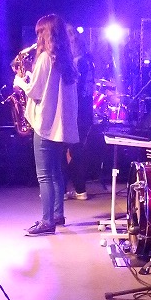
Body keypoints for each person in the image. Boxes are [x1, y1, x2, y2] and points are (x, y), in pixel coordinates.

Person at [14, 14, 79, 235]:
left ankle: (46, 221)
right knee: (56, 172)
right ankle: (58, 214)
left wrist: (20, 82)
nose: (37, 37)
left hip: (45, 124)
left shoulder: (44, 59)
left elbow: (35, 91)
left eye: (39, 32)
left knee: (44, 175)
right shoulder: (67, 61)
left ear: (47, 33)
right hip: (60, 125)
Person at [64, 24, 95, 200]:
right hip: (84, 111)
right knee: (76, 149)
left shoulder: (76, 63)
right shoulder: (86, 60)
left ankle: (66, 189)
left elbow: (75, 90)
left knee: (66, 149)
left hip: (75, 111)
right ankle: (80, 189)